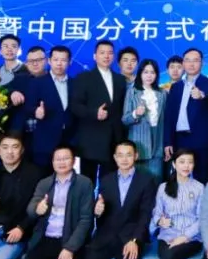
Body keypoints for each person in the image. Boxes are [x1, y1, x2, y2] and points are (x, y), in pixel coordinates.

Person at [70, 39, 128, 184]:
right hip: (91, 139)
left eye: (110, 53)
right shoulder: (84, 78)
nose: (106, 56)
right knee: (87, 182)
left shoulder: (120, 80)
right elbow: (75, 105)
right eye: (102, 53)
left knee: (110, 183)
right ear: (95, 56)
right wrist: (93, 113)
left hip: (113, 140)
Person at [163, 48, 208, 184]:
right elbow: (169, 116)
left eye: (195, 60)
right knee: (179, 180)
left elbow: (207, 93)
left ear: (202, 63)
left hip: (201, 141)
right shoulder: (176, 87)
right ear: (183, 63)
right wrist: (168, 141)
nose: (191, 64)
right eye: (187, 60)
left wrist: (201, 95)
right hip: (180, 140)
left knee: (204, 179)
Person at [27, 45, 74, 170]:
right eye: (56, 59)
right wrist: (36, 111)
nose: (59, 63)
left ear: (69, 62)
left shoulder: (75, 83)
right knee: (42, 176)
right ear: (49, 61)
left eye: (63, 60)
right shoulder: (37, 82)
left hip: (68, 141)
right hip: (44, 142)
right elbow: (28, 107)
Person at [122, 58, 167, 181]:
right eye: (145, 72)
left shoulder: (162, 93)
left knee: (156, 181)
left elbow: (165, 120)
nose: (149, 75)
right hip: (139, 144)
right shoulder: (132, 92)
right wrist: (135, 114)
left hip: (158, 143)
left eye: (152, 72)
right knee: (138, 183)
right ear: (140, 73)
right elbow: (125, 119)